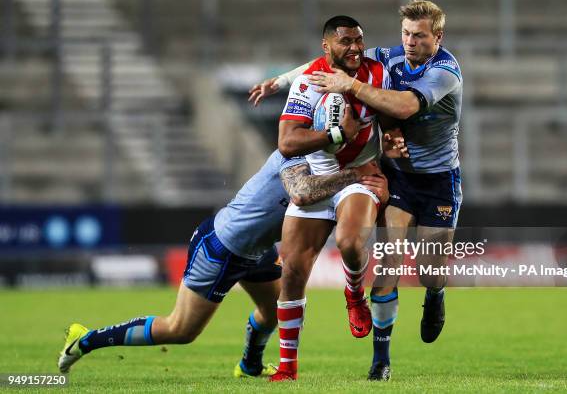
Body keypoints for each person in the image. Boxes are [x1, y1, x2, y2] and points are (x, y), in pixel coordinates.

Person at [249, 0, 463, 381]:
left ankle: (434, 295)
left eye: (419, 35)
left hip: (439, 179)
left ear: (438, 37)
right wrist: (279, 81)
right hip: (396, 176)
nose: (410, 42)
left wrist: (351, 86)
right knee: (389, 262)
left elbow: (402, 107)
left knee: (431, 269)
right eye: (406, 34)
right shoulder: (385, 59)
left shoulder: (445, 73)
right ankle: (381, 361)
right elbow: (329, 57)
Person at [57, 149, 389, 377]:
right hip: (222, 247)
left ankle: (249, 366)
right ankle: (86, 339)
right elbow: (300, 192)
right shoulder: (298, 147)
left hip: (257, 249)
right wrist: (354, 176)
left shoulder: (335, 158)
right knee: (180, 330)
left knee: (277, 310)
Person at [268, 15, 397, 382]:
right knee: (291, 270)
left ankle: (354, 293)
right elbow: (287, 142)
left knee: (349, 241)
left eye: (359, 40)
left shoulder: (377, 73)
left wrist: (393, 138)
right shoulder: (309, 81)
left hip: (361, 176)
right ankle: (288, 368)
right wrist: (334, 134)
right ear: (327, 47)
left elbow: (390, 118)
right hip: (320, 179)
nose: (355, 48)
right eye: (345, 42)